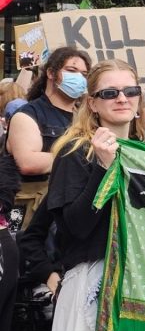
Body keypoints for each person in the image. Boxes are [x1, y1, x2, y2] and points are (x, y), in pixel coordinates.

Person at [33, 60, 145, 331]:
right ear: (92, 103)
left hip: (137, 285)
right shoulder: (73, 152)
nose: (122, 99)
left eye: (130, 91)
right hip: (93, 282)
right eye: (109, 93)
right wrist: (103, 167)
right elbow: (76, 227)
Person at [3, 47, 91, 229]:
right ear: (51, 73)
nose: (80, 79)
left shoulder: (85, 117)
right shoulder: (27, 115)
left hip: (70, 209)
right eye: (72, 71)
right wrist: (84, 158)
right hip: (31, 212)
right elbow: (28, 162)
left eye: (84, 74)